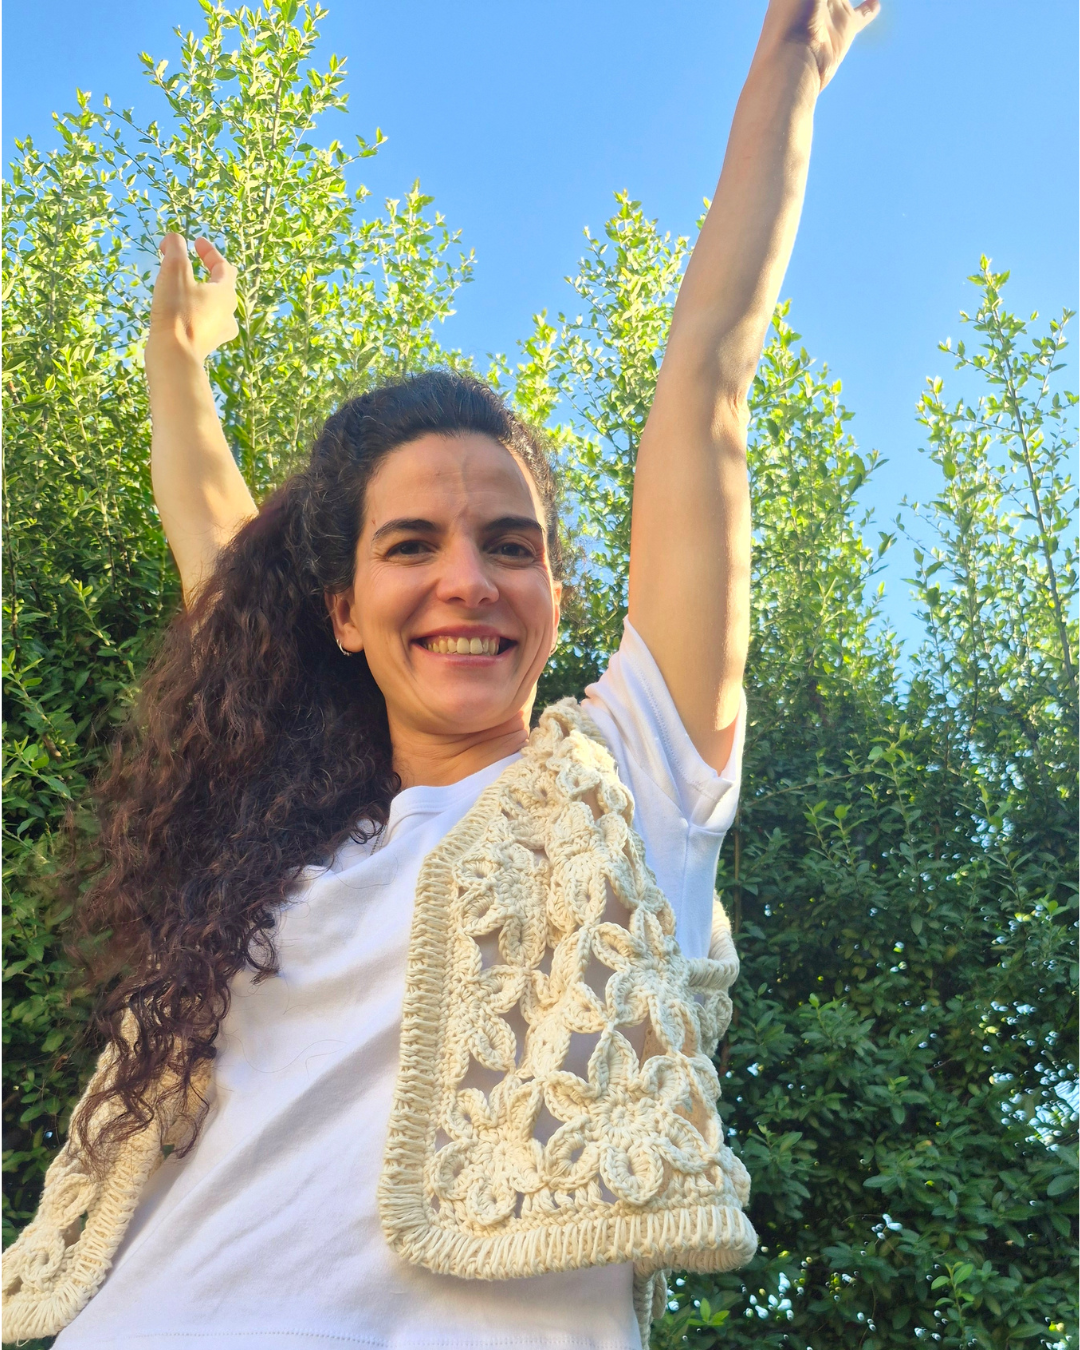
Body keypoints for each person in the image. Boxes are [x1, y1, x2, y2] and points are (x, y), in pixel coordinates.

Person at [2, 1, 878, 1346]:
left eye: (509, 545)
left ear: (556, 599)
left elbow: (706, 372)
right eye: (411, 545)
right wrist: (176, 359)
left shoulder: (632, 780)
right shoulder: (292, 850)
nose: (466, 579)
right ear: (344, 614)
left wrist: (797, 53)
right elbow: (214, 537)